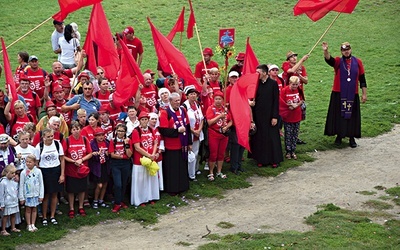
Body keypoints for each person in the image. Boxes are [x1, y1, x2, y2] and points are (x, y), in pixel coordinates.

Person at [322, 41, 367, 148]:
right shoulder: (338, 61)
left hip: (353, 93)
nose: (346, 52)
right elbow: (329, 60)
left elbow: (362, 79)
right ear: (341, 52)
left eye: (347, 50)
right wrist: (325, 51)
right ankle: (339, 136)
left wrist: (364, 94)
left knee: (352, 116)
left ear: (350, 50)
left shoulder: (358, 62)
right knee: (339, 115)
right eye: (344, 50)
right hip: (339, 93)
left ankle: (351, 137)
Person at [158, 93, 192, 195]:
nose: (178, 103)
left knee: (182, 167)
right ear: (170, 101)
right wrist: (177, 131)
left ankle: (182, 186)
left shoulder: (183, 110)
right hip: (171, 146)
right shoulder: (165, 112)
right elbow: (163, 131)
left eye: (179, 100)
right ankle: (172, 189)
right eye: (176, 101)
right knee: (172, 169)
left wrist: (189, 142)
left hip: (183, 144)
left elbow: (187, 126)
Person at [250, 64, 283, 168]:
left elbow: (276, 101)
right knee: (260, 137)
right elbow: (252, 97)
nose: (257, 74)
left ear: (264, 73)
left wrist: (275, 116)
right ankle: (260, 159)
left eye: (258, 72)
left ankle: (274, 159)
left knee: (272, 137)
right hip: (258, 115)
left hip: (270, 115)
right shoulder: (256, 84)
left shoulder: (273, 84)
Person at [34, 128, 65, 226]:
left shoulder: (57, 144)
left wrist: (62, 174)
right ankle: (44, 216)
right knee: (45, 195)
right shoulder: (39, 146)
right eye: (48, 137)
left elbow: (62, 159)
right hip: (44, 171)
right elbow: (36, 162)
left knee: (55, 194)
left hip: (56, 170)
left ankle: (52, 215)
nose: (51, 138)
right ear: (43, 137)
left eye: (52, 136)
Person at [62, 121, 92, 218]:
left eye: (77, 129)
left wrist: (81, 160)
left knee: (82, 189)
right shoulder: (67, 140)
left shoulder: (84, 139)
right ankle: (71, 208)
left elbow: (90, 153)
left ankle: (80, 206)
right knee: (71, 190)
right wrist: (72, 161)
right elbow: (63, 156)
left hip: (83, 169)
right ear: (71, 130)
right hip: (71, 170)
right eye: (74, 129)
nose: (76, 131)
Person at [130, 112, 159, 206]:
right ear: (139, 120)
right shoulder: (136, 131)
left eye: (146, 119)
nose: (144, 121)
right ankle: (140, 199)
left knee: (150, 178)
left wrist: (153, 154)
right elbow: (137, 147)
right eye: (142, 119)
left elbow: (155, 142)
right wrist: (148, 155)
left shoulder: (151, 129)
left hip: (151, 157)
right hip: (140, 160)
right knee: (141, 180)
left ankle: (151, 197)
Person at [281, 51, 309, 145]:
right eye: (292, 57)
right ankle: (287, 136)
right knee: (287, 117)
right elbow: (291, 71)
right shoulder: (285, 65)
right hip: (288, 96)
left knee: (298, 117)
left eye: (295, 56)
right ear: (288, 59)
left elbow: (306, 81)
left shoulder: (302, 68)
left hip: (299, 96)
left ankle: (295, 137)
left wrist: (299, 75)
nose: (294, 58)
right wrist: (302, 60)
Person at [205, 91, 232, 180]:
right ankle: (211, 172)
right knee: (213, 154)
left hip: (223, 135)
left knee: (221, 154)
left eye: (220, 99)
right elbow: (209, 122)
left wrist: (226, 127)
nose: (218, 101)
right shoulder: (211, 109)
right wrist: (219, 116)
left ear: (223, 100)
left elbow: (231, 121)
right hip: (214, 134)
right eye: (216, 99)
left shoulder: (225, 109)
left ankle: (219, 171)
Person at [109, 123, 132, 212]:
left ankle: (120, 201)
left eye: (122, 131)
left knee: (124, 183)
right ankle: (117, 203)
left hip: (125, 164)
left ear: (125, 132)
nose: (120, 133)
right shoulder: (113, 140)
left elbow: (129, 154)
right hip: (116, 165)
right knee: (118, 184)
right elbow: (112, 154)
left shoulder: (128, 140)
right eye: (119, 131)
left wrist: (126, 144)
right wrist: (123, 156)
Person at [182, 86, 204, 180]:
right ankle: (189, 174)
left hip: (198, 134)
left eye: (194, 94)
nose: (193, 96)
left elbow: (202, 118)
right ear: (187, 96)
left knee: (196, 153)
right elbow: (185, 122)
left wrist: (199, 130)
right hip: (189, 134)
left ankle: (194, 170)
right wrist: (193, 131)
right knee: (190, 154)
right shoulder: (184, 107)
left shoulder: (197, 104)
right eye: (191, 94)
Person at [280, 76, 304, 160]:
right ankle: (288, 151)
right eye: (293, 84)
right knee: (288, 134)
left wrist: (296, 105)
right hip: (288, 116)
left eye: (296, 85)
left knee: (295, 134)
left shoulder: (299, 89)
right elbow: (281, 102)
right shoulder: (284, 90)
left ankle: (293, 150)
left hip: (297, 115)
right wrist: (289, 106)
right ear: (290, 83)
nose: (295, 86)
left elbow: (302, 100)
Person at [18, 154, 44, 232]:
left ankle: (33, 224)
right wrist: (21, 197)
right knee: (28, 209)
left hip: (35, 194)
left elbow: (41, 183)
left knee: (34, 209)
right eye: (27, 162)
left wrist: (41, 195)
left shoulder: (38, 171)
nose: (28, 163)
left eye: (30, 162)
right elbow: (21, 185)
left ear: (34, 162)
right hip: (27, 195)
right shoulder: (23, 173)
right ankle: (28, 225)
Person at [89, 127, 110, 209]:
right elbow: (90, 154)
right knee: (99, 185)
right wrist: (96, 154)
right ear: (95, 136)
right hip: (97, 167)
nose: (101, 137)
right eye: (99, 135)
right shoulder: (92, 143)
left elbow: (110, 153)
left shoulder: (107, 142)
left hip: (105, 165)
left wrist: (108, 154)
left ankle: (101, 200)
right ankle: (95, 200)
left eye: (102, 135)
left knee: (105, 184)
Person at [0, 164, 20, 236]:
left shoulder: (14, 181)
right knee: (5, 216)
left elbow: (15, 190)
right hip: (7, 202)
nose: (14, 175)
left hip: (13, 200)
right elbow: (1, 194)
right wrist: (2, 204)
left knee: (13, 214)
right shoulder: (3, 182)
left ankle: (13, 227)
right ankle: (3, 230)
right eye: (12, 173)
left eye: (14, 173)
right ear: (7, 173)